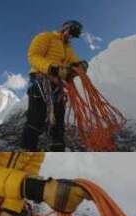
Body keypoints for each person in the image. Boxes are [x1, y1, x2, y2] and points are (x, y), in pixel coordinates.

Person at [21, 20, 89, 151]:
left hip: (57, 85)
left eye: (73, 36)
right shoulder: (46, 37)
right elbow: (33, 56)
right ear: (65, 28)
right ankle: (27, 151)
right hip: (40, 80)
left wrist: (82, 65)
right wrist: (51, 68)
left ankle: (57, 152)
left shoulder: (68, 49)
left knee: (58, 121)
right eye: (70, 33)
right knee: (36, 119)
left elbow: (74, 62)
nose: (70, 37)